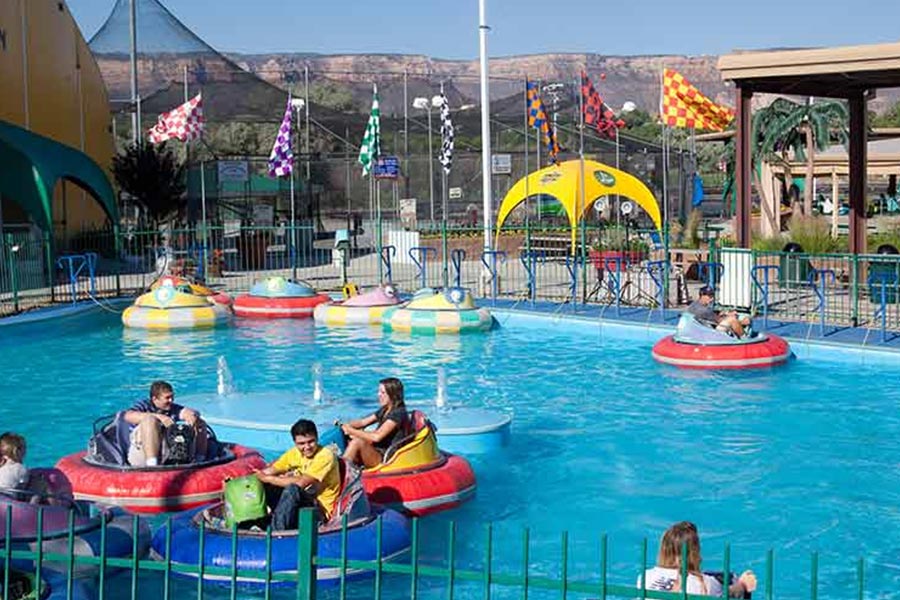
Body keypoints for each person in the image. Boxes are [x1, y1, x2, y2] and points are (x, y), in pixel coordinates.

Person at [255, 419, 341, 530]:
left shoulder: (325, 456)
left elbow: (301, 483)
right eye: (301, 443)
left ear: (317, 438)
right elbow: (268, 472)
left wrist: (269, 479)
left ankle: (276, 533)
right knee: (264, 485)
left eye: (311, 441)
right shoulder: (293, 453)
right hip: (299, 505)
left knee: (292, 489)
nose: (307, 447)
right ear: (295, 443)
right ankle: (254, 521)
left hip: (319, 512)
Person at [637, 521, 757, 597]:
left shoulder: (645, 577)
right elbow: (728, 593)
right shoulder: (703, 584)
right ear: (693, 554)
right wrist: (743, 584)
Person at [123, 380, 209, 467]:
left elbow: (186, 412)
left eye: (172, 397)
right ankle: (152, 464)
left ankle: (200, 460)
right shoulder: (144, 405)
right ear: (155, 399)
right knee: (150, 420)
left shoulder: (172, 408)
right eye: (167, 398)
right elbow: (128, 416)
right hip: (142, 452)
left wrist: (192, 415)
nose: (171, 400)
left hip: (166, 451)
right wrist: (159, 417)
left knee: (200, 422)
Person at [339, 377, 408, 468]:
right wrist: (346, 425)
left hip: (387, 458)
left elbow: (377, 437)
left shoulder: (398, 413)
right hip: (376, 450)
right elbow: (363, 422)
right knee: (349, 438)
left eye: (383, 392)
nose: (378, 395)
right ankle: (341, 463)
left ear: (393, 395)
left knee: (357, 442)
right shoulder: (385, 409)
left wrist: (351, 431)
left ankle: (341, 472)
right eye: (379, 391)